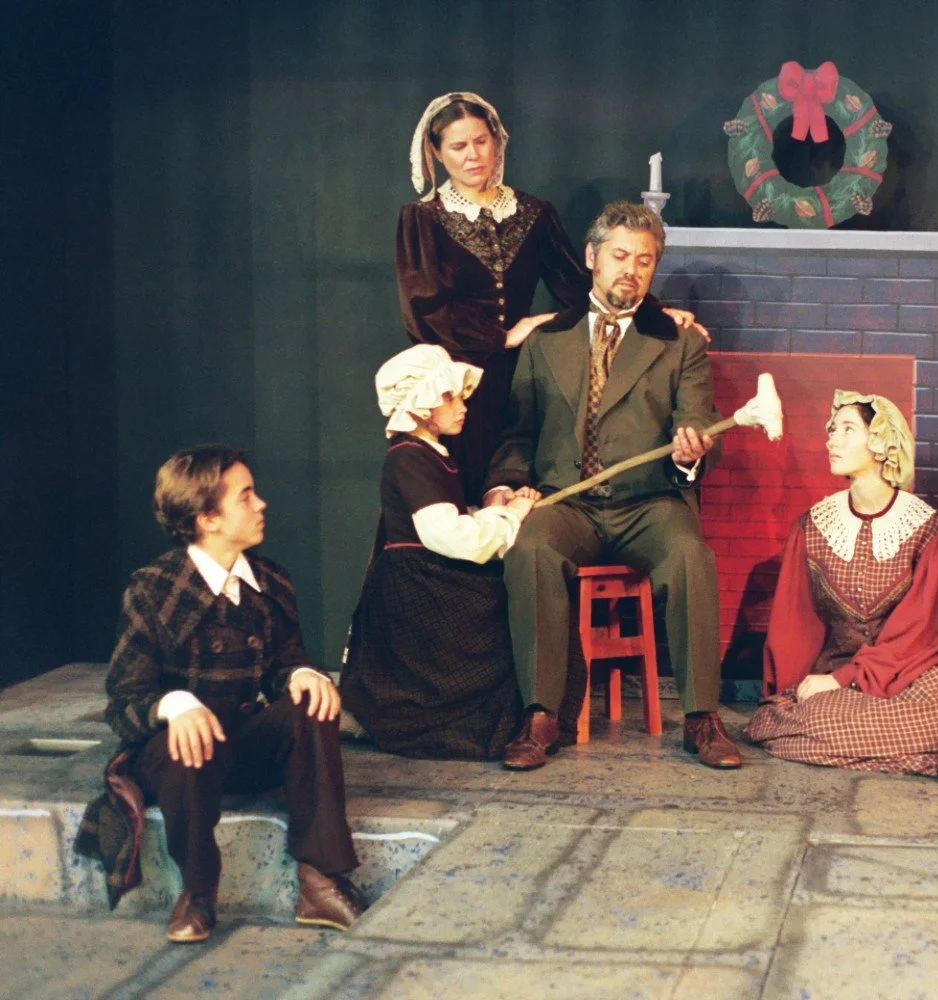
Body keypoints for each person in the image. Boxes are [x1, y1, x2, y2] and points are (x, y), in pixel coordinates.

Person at [485, 200, 740, 771]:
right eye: (620, 256)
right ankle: (540, 715)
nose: (632, 269)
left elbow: (700, 421)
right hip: (568, 503)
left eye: (644, 261)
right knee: (529, 550)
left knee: (691, 554)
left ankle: (702, 717)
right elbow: (518, 433)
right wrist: (503, 487)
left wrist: (693, 451)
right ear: (592, 258)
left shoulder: (680, 343)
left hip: (649, 504)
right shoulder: (547, 338)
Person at [74, 446, 364, 942]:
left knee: (312, 701)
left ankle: (319, 880)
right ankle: (198, 893)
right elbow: (124, 699)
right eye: (246, 496)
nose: (262, 505)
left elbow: (283, 663)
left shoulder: (271, 580)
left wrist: (298, 675)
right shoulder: (152, 589)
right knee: (189, 739)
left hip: (244, 745)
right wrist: (176, 705)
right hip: (179, 757)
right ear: (207, 518)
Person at [398, 92, 702, 504]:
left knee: (516, 488)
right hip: (454, 384)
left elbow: (580, 284)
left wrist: (656, 311)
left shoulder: (531, 213)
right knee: (459, 499)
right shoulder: (423, 219)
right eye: (458, 146)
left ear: (497, 142)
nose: (473, 155)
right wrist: (502, 336)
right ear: (435, 152)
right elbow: (425, 312)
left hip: (521, 377)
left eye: (481, 141)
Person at [745, 392, 938, 774]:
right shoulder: (813, 526)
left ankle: (837, 742)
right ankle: (863, 743)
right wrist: (790, 692)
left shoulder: (929, 531)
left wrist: (843, 679)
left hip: (915, 670)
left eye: (848, 429)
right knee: (814, 716)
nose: (831, 439)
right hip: (839, 670)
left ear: (882, 442)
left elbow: (920, 632)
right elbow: (794, 622)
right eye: (832, 430)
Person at [340, 345, 540, 758]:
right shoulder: (410, 459)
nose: (461, 405)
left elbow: (448, 519)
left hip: (430, 574)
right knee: (504, 601)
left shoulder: (428, 454)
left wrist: (493, 510)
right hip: (420, 586)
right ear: (422, 404)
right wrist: (513, 516)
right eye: (450, 396)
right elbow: (449, 537)